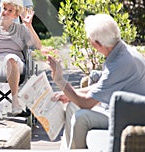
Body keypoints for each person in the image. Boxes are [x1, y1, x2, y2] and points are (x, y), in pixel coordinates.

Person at [47, 14, 145, 149]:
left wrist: (60, 80)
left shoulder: (121, 63)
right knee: (72, 106)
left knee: (81, 116)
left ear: (97, 44)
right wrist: (69, 93)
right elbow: (101, 85)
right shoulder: (121, 52)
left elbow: (85, 103)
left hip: (128, 118)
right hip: (117, 109)